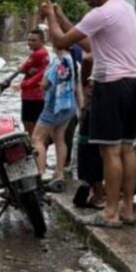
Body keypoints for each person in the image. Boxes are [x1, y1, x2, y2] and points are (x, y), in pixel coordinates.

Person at [42, 0, 136, 228]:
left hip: (111, 84)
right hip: (134, 83)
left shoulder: (101, 13)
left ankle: (109, 213)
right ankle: (127, 209)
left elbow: (61, 42)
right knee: (126, 148)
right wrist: (62, 18)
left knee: (110, 151)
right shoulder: (126, 9)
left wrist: (51, 18)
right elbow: (90, 44)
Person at [32, 44, 79, 192]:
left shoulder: (56, 61)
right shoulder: (71, 60)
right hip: (69, 105)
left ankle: (39, 174)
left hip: (54, 106)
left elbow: (45, 84)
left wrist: (41, 85)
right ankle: (59, 173)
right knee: (59, 137)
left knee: (37, 139)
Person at [73, 54, 105, 210]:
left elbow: (88, 59)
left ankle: (99, 196)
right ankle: (99, 192)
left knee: (90, 154)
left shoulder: (98, 55)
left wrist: (85, 85)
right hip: (103, 113)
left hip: (94, 112)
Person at [16, 28, 49, 137]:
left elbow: (22, 68)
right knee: (35, 124)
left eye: (34, 40)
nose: (30, 42)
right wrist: (27, 69)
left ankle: (33, 147)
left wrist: (24, 68)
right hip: (38, 94)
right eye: (29, 40)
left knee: (29, 124)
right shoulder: (43, 52)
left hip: (32, 95)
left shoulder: (38, 54)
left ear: (42, 41)